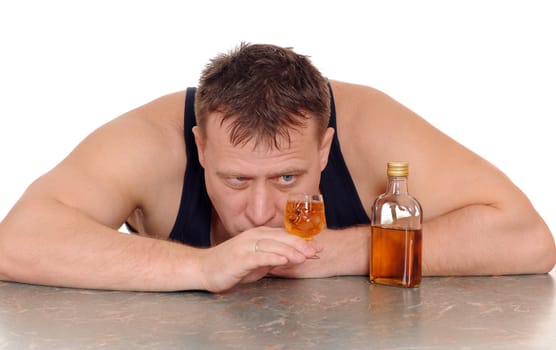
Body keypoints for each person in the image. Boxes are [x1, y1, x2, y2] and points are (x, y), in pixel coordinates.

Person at [0, 43, 554, 292]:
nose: (262, 212)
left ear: (325, 148)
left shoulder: (371, 127)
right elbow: (17, 243)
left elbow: (529, 240)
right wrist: (202, 268)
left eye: (288, 178)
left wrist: (335, 252)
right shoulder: (148, 143)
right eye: (235, 179)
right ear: (199, 146)